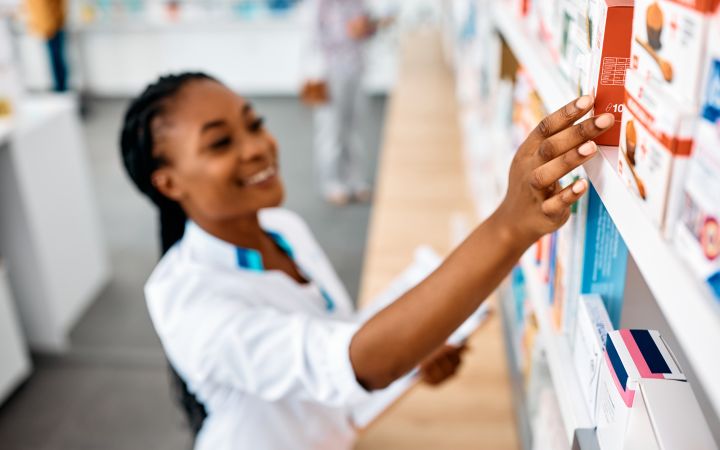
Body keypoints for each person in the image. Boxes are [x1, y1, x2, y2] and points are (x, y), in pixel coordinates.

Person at [120, 72, 612, 450]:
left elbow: (337, 344)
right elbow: (348, 363)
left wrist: (411, 357)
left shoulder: (282, 228)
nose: (257, 148)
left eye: (254, 123)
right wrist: (509, 225)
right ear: (168, 183)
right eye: (221, 143)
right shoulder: (187, 301)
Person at [301, 0, 384, 205]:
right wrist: (349, 31)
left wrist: (369, 28)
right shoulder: (319, 5)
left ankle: (355, 180)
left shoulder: (358, 3)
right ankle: (332, 183)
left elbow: (366, 31)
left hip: (356, 69)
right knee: (331, 129)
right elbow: (313, 39)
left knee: (354, 127)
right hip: (329, 73)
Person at [24, 0, 67, 92]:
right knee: (55, 59)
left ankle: (60, 88)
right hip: (50, 25)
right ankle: (59, 87)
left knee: (56, 59)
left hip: (52, 26)